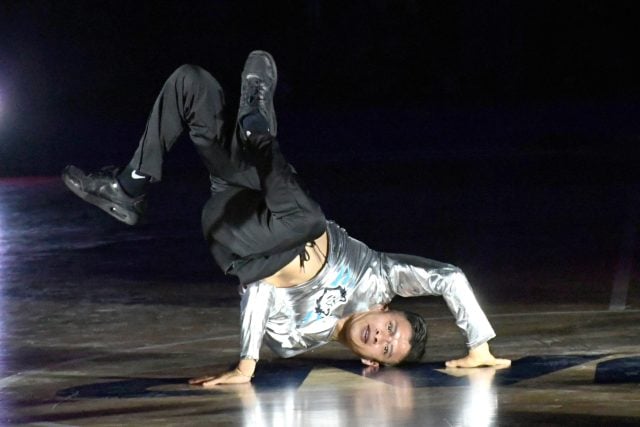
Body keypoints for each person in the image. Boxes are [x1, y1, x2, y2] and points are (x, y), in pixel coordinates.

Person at [62, 51, 510, 387]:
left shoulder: (295, 339)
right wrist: (478, 345)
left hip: (236, 235)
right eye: (392, 328)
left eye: (386, 350)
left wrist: (246, 363)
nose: (382, 337)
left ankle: (259, 134)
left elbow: (257, 290)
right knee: (190, 81)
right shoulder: (381, 277)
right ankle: (130, 185)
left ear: (371, 363)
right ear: (385, 309)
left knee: (308, 222)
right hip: (252, 187)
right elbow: (449, 277)